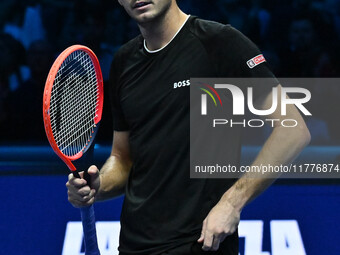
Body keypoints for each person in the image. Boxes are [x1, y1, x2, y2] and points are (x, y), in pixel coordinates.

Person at [66, 1, 311, 254]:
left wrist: (231, 203)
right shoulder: (124, 62)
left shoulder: (220, 42)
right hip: (134, 245)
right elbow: (123, 158)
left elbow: (293, 130)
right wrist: (98, 186)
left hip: (201, 243)